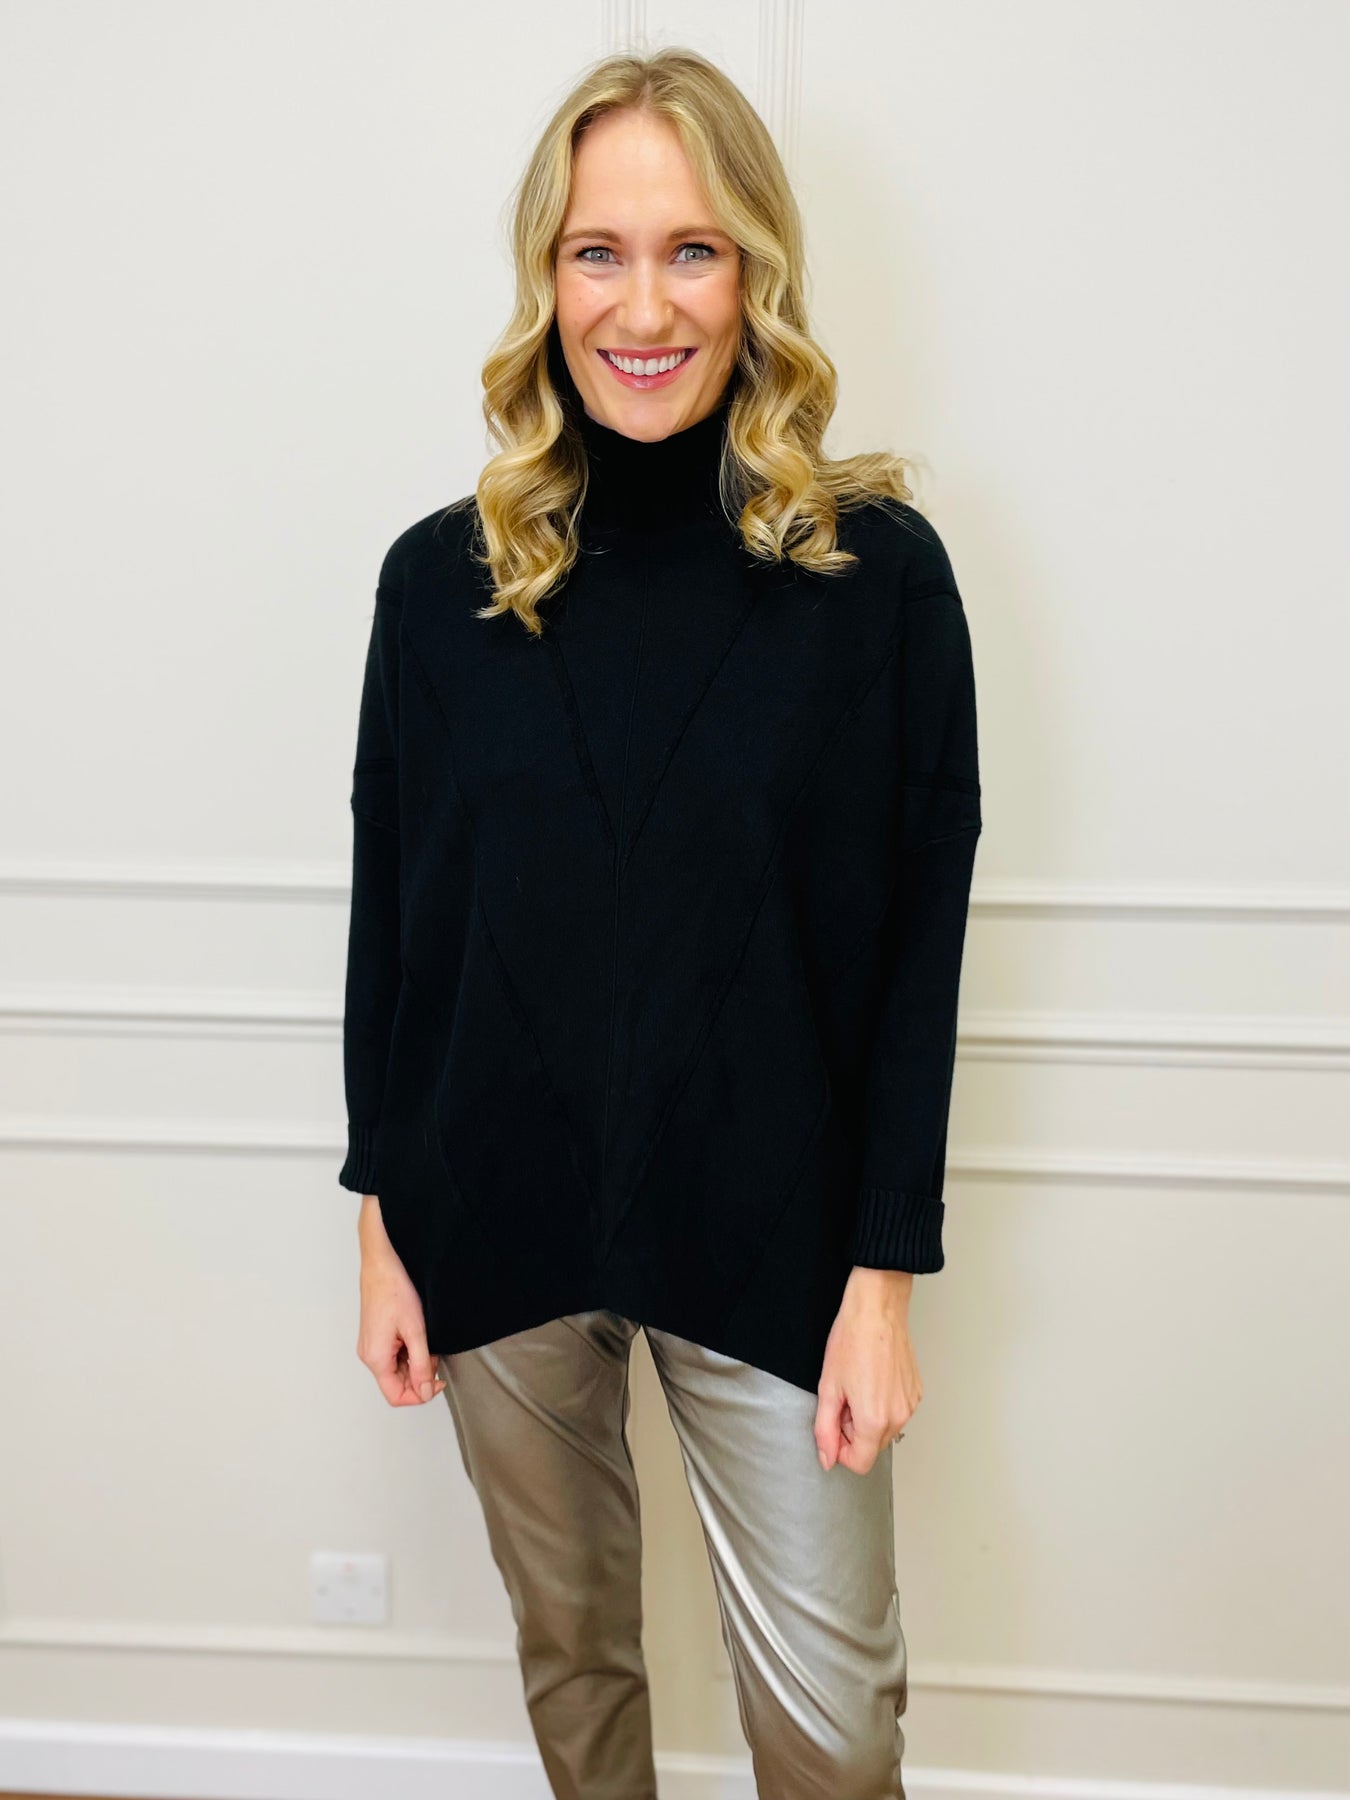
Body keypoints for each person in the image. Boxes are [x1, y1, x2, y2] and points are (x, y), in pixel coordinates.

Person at [340, 46, 982, 1800]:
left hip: (777, 1230)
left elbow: (914, 951)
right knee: (573, 1665)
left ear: (755, 270)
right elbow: (397, 918)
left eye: (691, 250)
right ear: (544, 278)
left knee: (833, 1730)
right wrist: (382, 1214)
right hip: (489, 1208)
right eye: (596, 253)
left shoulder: (875, 577)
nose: (642, 307)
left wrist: (881, 1279)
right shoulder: (439, 582)